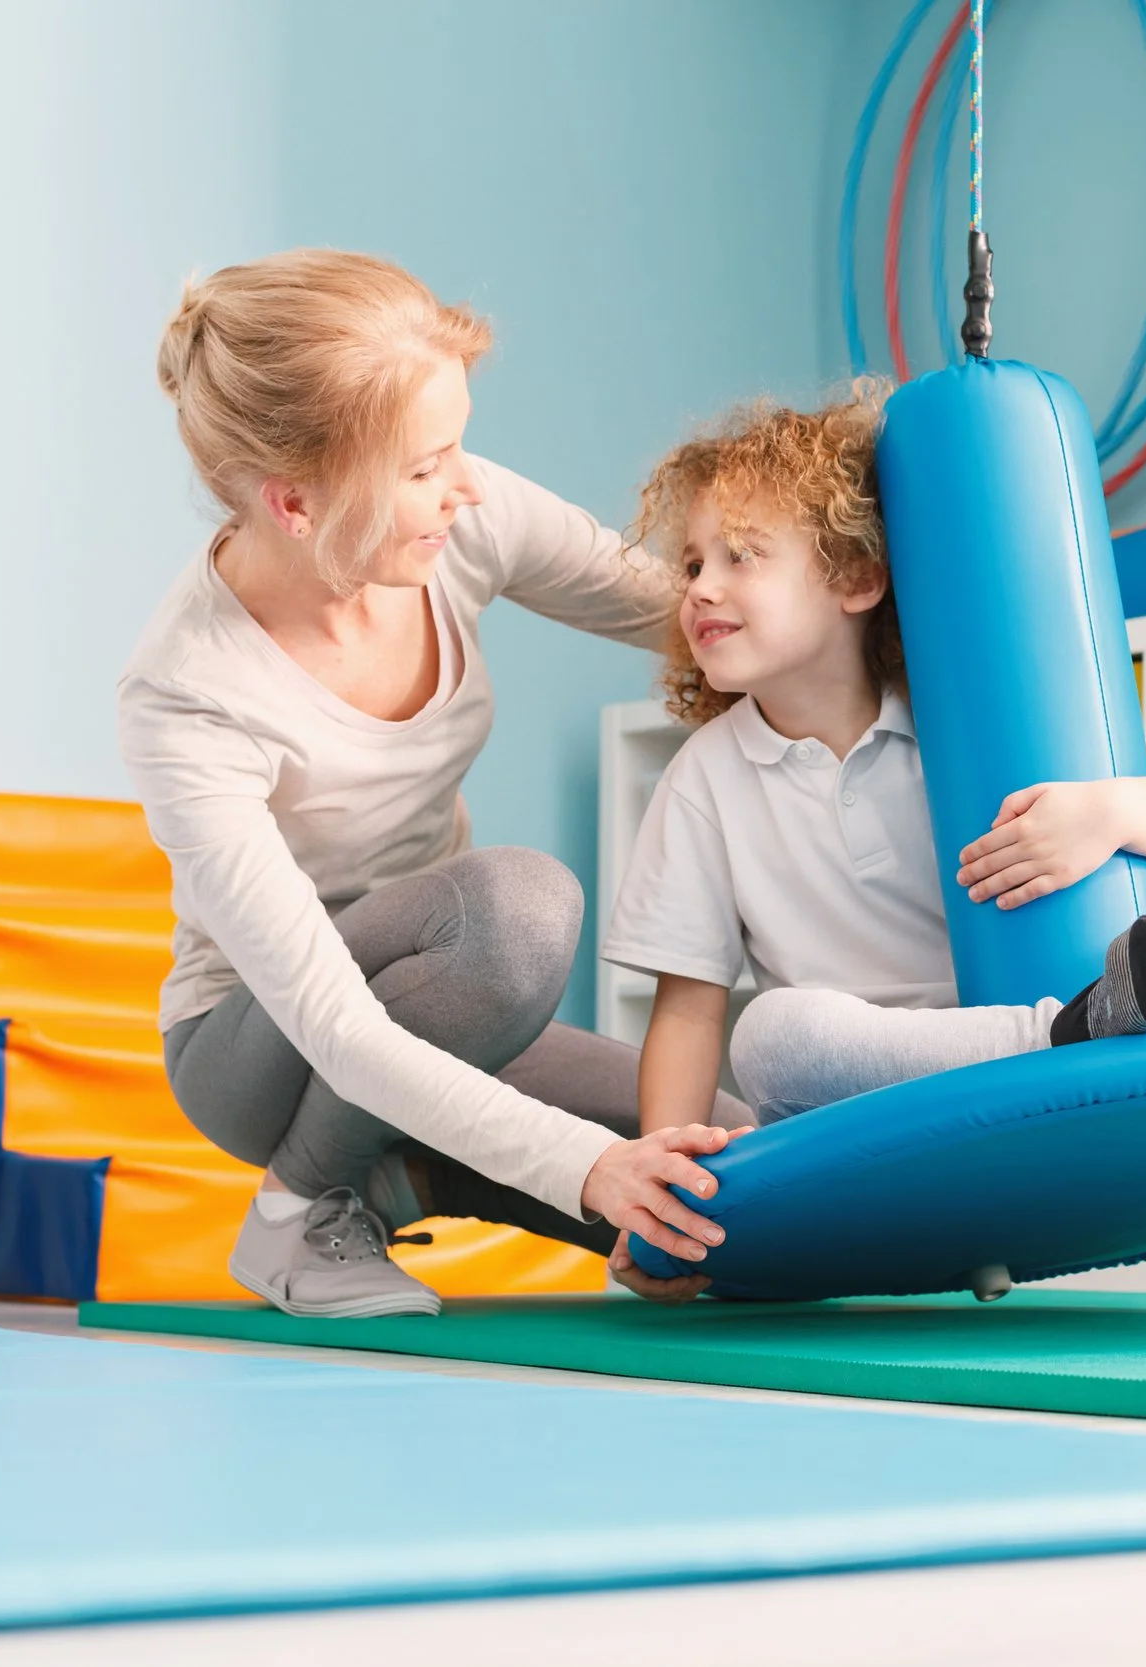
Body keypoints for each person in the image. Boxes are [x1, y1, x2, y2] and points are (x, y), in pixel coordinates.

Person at [121, 249, 742, 1318]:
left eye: (460, 445)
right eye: (423, 465)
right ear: (295, 503)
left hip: (456, 1008)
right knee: (518, 912)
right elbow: (335, 1023)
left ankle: (399, 1176)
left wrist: (851, 634)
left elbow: (682, 617)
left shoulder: (459, 515)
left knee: (743, 1186)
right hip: (264, 1046)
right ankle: (294, 1215)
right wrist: (586, 1168)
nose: (463, 486)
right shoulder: (189, 695)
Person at [603, 387, 1146, 1134]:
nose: (700, 587)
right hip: (883, 1085)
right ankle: (1098, 1030)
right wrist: (660, 1165)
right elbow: (688, 1006)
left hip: (1077, 995)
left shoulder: (969, 714)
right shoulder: (704, 775)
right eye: (695, 564)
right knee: (768, 1032)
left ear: (859, 578)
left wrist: (1108, 812)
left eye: (741, 556)